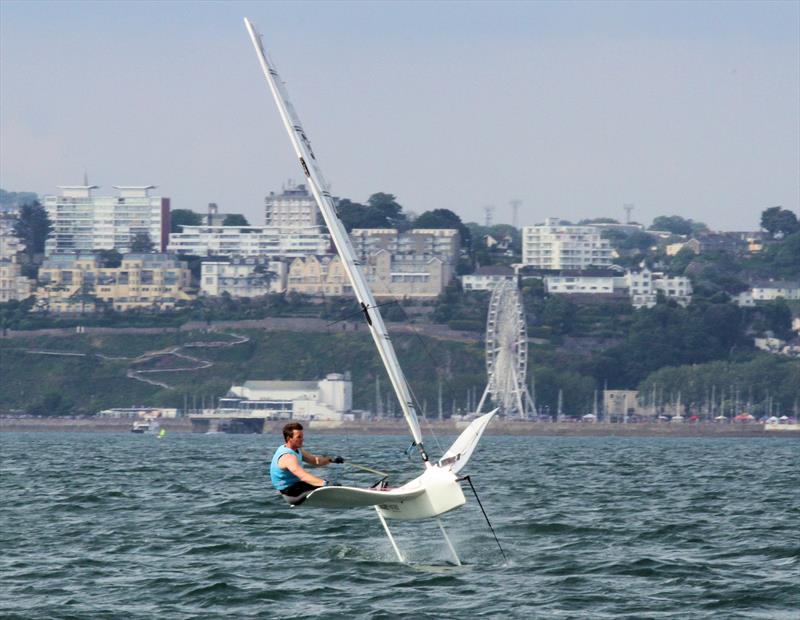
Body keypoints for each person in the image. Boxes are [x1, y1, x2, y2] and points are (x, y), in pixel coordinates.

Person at [270, 422, 344, 497]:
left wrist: (332, 460)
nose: (302, 439)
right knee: (328, 487)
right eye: (299, 437)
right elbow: (303, 476)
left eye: (302, 436)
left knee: (331, 485)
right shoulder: (288, 457)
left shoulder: (297, 450)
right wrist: (325, 484)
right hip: (289, 491)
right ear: (289, 438)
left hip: (298, 484)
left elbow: (315, 461)